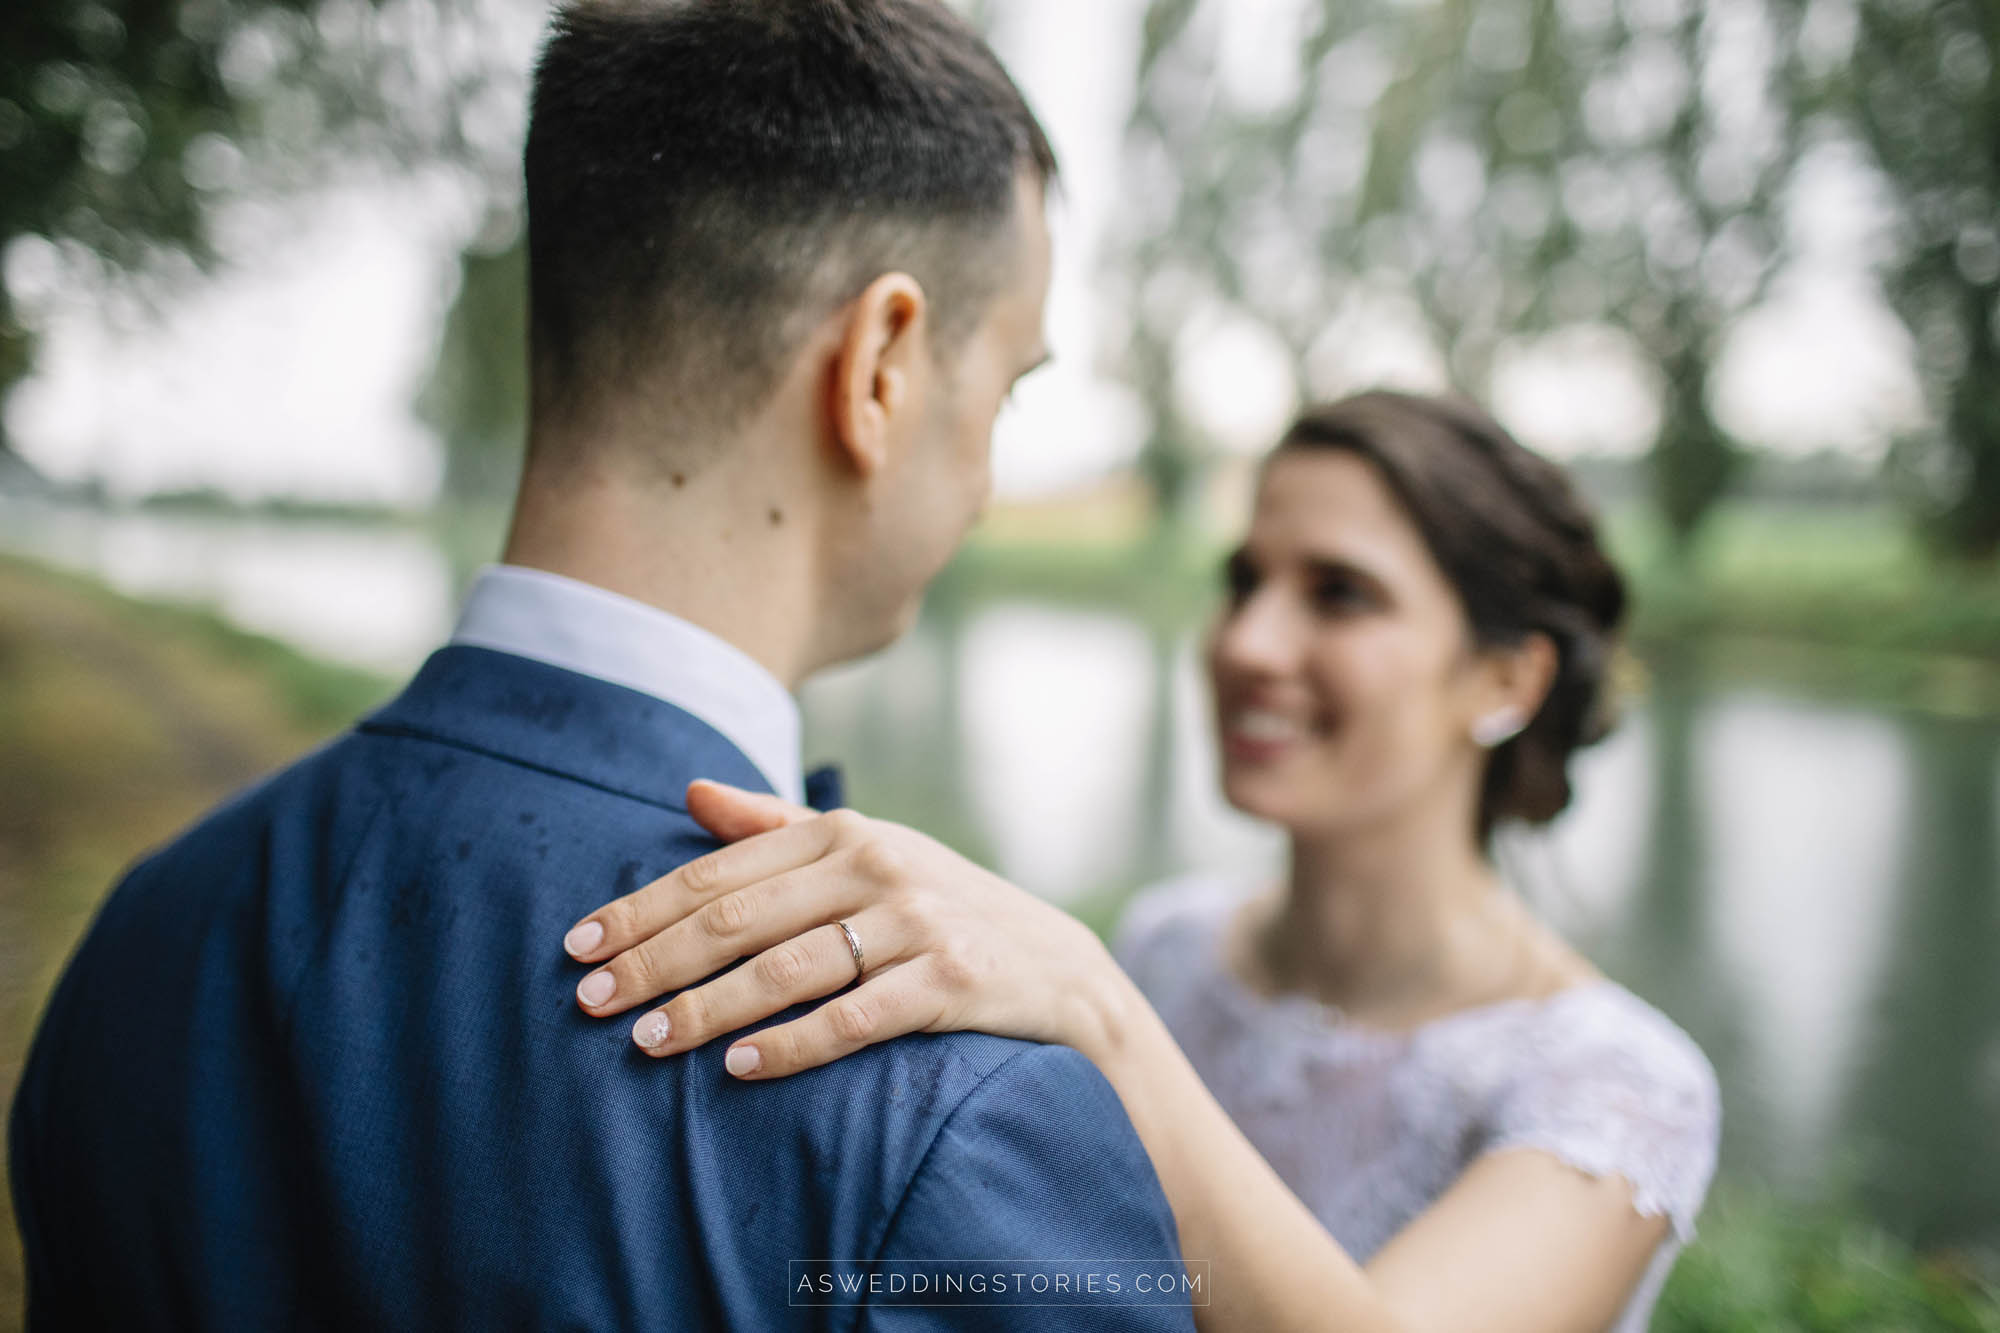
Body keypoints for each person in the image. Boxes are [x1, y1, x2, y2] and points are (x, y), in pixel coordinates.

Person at [7, 2, 1199, 1328]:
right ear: (881, 367)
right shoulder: (954, 1102)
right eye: (1008, 389)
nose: (989, 478)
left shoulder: (147, 936)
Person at [561, 391, 1723, 1332]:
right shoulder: (1170, 944)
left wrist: (1094, 1007)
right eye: (1241, 581)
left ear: (1507, 680)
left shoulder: (1612, 1085)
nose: (1248, 644)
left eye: (1339, 594)